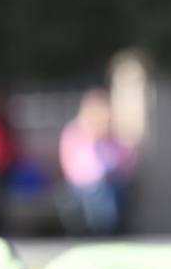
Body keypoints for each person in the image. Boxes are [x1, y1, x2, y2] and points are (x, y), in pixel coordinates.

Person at [58, 87, 136, 234]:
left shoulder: (111, 136)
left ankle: (108, 230)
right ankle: (101, 232)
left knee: (112, 190)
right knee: (100, 193)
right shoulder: (77, 132)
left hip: (111, 183)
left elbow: (127, 159)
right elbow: (79, 168)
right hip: (82, 186)